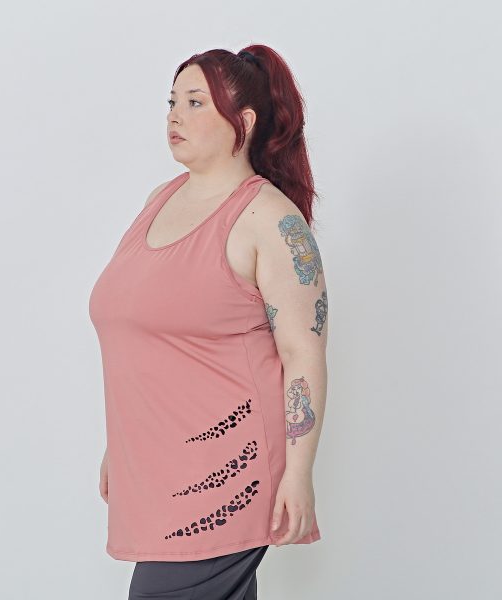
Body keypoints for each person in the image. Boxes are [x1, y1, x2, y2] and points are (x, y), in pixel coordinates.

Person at [89, 43, 328, 599]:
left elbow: (303, 353)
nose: (175, 115)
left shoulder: (271, 220)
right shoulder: (158, 200)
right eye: (172, 101)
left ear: (244, 121)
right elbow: (146, 334)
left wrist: (298, 474)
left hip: (230, 466)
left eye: (195, 102)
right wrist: (118, 446)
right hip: (158, 466)